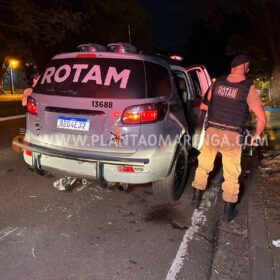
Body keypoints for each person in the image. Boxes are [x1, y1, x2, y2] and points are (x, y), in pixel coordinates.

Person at [191, 55, 267, 222]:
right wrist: (256, 136)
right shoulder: (248, 88)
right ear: (245, 67)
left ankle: (195, 200)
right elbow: (262, 118)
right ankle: (228, 212)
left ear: (232, 68)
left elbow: (204, 106)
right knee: (232, 173)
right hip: (232, 137)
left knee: (203, 166)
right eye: (248, 67)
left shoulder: (217, 84)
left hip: (211, 133)